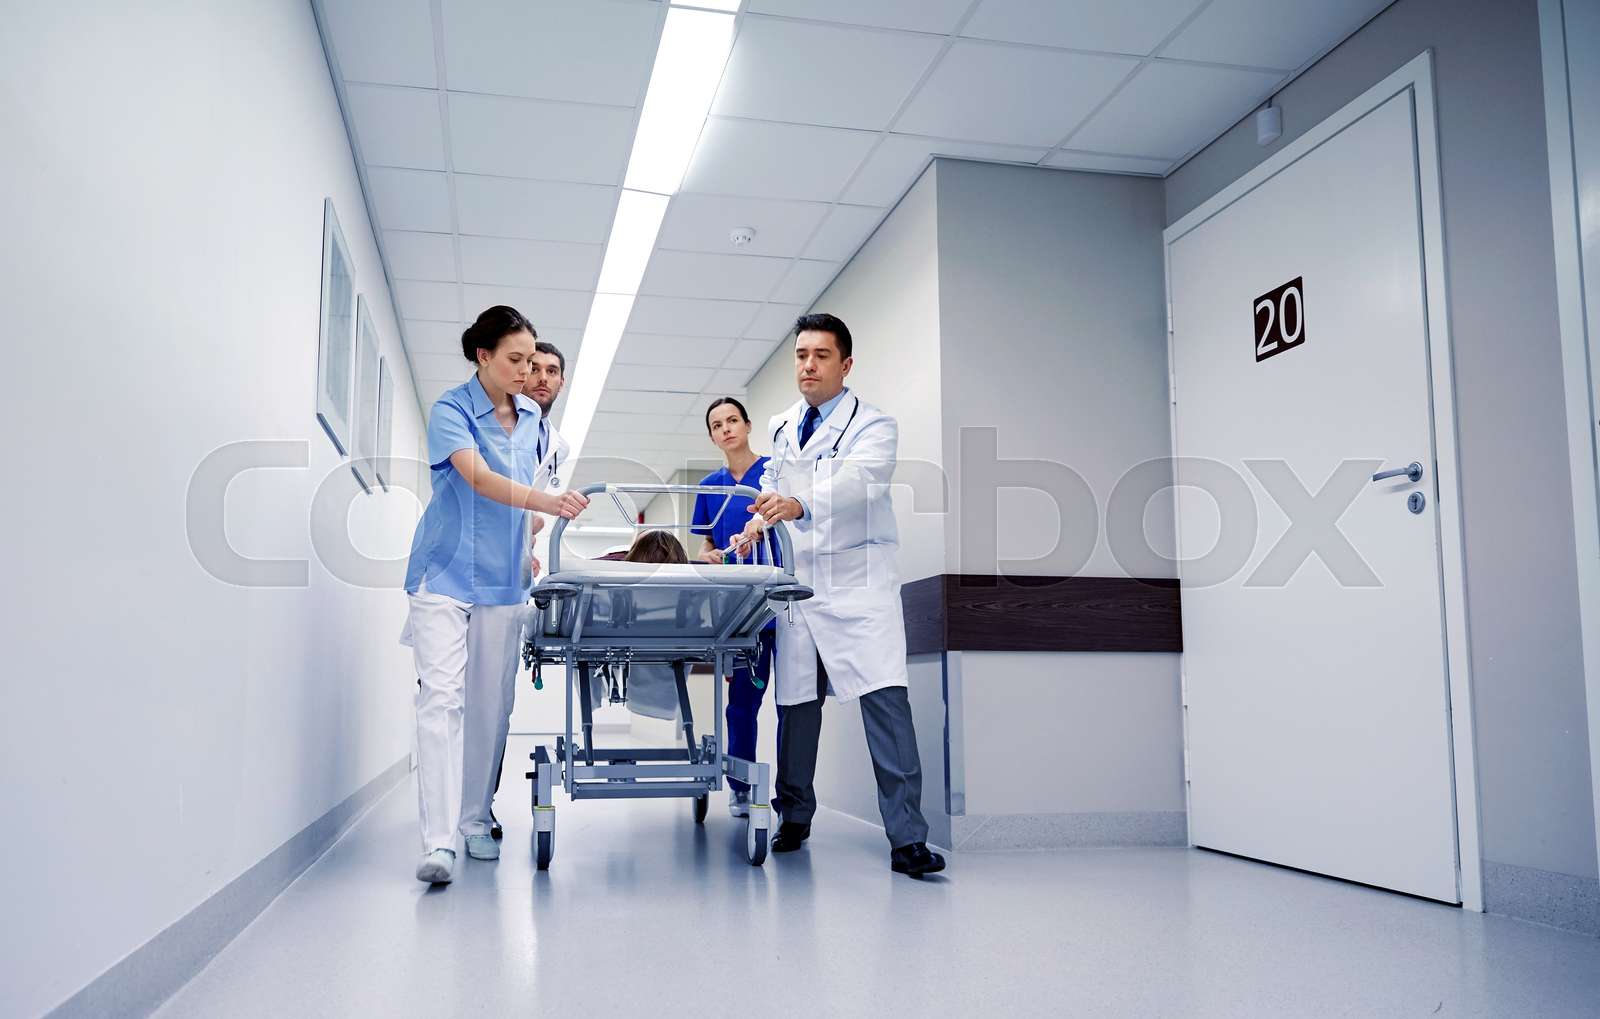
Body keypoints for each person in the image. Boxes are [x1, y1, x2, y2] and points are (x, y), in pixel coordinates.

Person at [732, 312, 945, 878]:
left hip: (858, 581)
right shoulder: (781, 425)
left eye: (821, 355)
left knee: (886, 703)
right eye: (801, 355)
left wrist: (799, 504)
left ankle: (908, 839)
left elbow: (861, 481)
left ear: (845, 365)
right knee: (796, 707)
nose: (808, 365)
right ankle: (794, 816)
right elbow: (772, 482)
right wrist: (759, 520)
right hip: (800, 584)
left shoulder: (875, 425)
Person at [402, 305, 588, 885]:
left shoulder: (536, 423)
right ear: (482, 356)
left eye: (532, 360)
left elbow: (527, 497)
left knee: (492, 704)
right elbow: (479, 478)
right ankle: (438, 842)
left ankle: (475, 819)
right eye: (516, 359)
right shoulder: (452, 409)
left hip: (505, 579)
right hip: (445, 573)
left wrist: (530, 535)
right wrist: (545, 504)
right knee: (442, 700)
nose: (527, 371)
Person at [691, 397, 779, 818]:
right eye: (717, 425)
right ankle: (741, 787)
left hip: (778, 598)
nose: (726, 428)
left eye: (732, 420)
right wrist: (707, 555)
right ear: (712, 436)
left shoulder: (775, 471)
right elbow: (706, 544)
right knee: (742, 701)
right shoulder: (710, 486)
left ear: (747, 425)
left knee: (795, 703)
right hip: (739, 608)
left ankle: (791, 798)